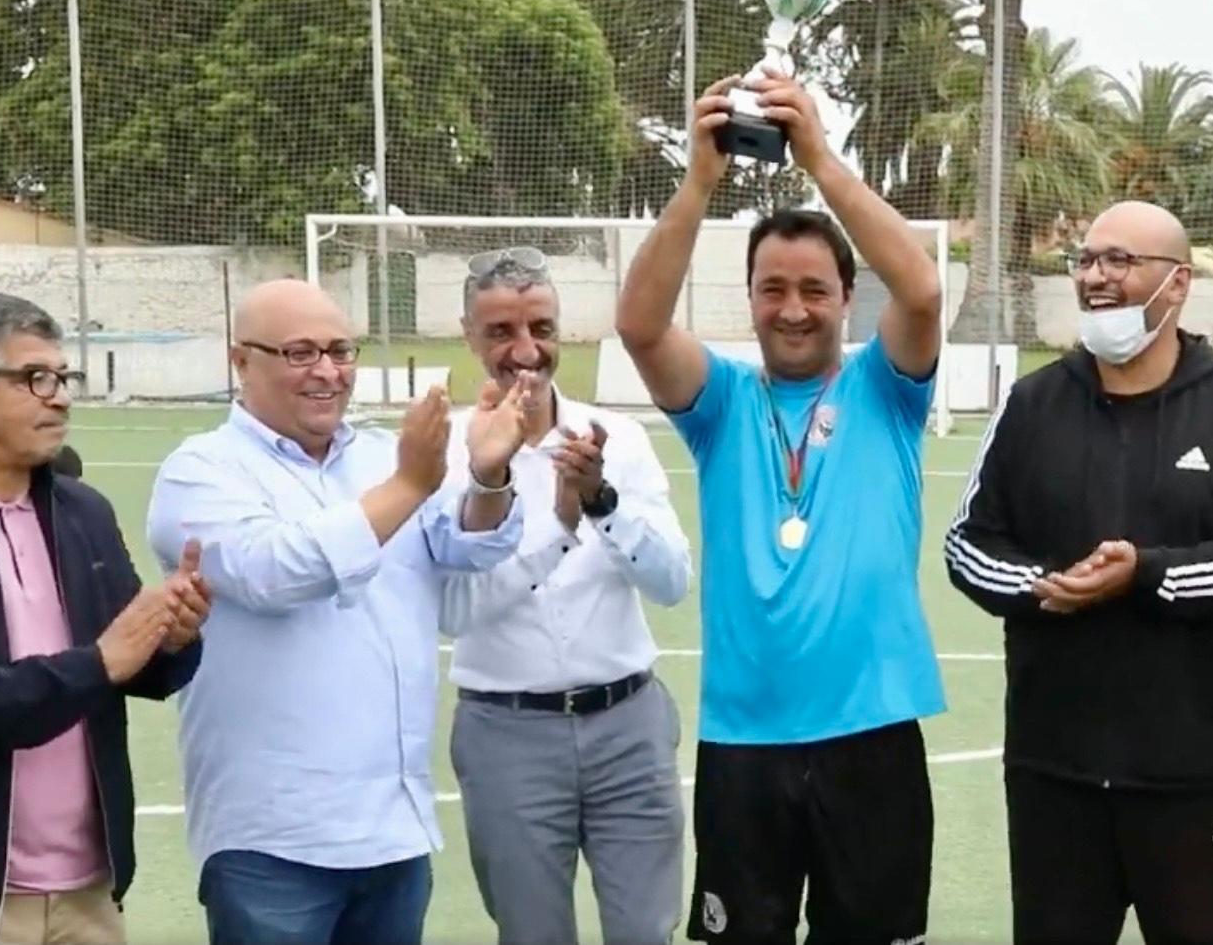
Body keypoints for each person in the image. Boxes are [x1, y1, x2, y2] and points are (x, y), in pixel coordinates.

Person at [615, 69, 946, 944]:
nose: (792, 309)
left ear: (844, 299)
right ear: (750, 298)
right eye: (773, 288)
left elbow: (919, 291)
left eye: (813, 289)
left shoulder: (886, 390)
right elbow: (642, 326)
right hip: (746, 740)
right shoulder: (720, 401)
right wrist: (697, 184)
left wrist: (820, 161)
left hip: (872, 734)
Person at [945, 201, 1213, 945]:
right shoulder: (1033, 402)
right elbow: (967, 542)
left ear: (1178, 284)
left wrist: (1147, 573)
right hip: (1054, 770)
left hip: (1190, 773)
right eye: (1087, 259)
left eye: (1120, 260)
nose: (1097, 277)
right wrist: (1040, 585)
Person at [144, 278, 531, 945]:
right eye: (299, 352)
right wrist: (411, 483)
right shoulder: (200, 471)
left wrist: (490, 476)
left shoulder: (382, 455)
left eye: (340, 350)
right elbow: (277, 570)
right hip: (272, 838)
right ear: (242, 361)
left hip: (392, 829)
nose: (326, 371)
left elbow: (469, 546)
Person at [0, 291, 207, 945]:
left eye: (62, 377)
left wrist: (173, 635)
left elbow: (131, 666)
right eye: (34, 377)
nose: (59, 395)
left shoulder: (81, 511)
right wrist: (94, 665)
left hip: (88, 891)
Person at [442, 247, 694, 945]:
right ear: (470, 336)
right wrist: (557, 524)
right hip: (506, 734)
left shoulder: (619, 439)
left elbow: (672, 581)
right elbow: (452, 609)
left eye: (541, 328)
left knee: (646, 932)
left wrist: (603, 503)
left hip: (628, 723)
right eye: (501, 332)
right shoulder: (449, 454)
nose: (526, 350)